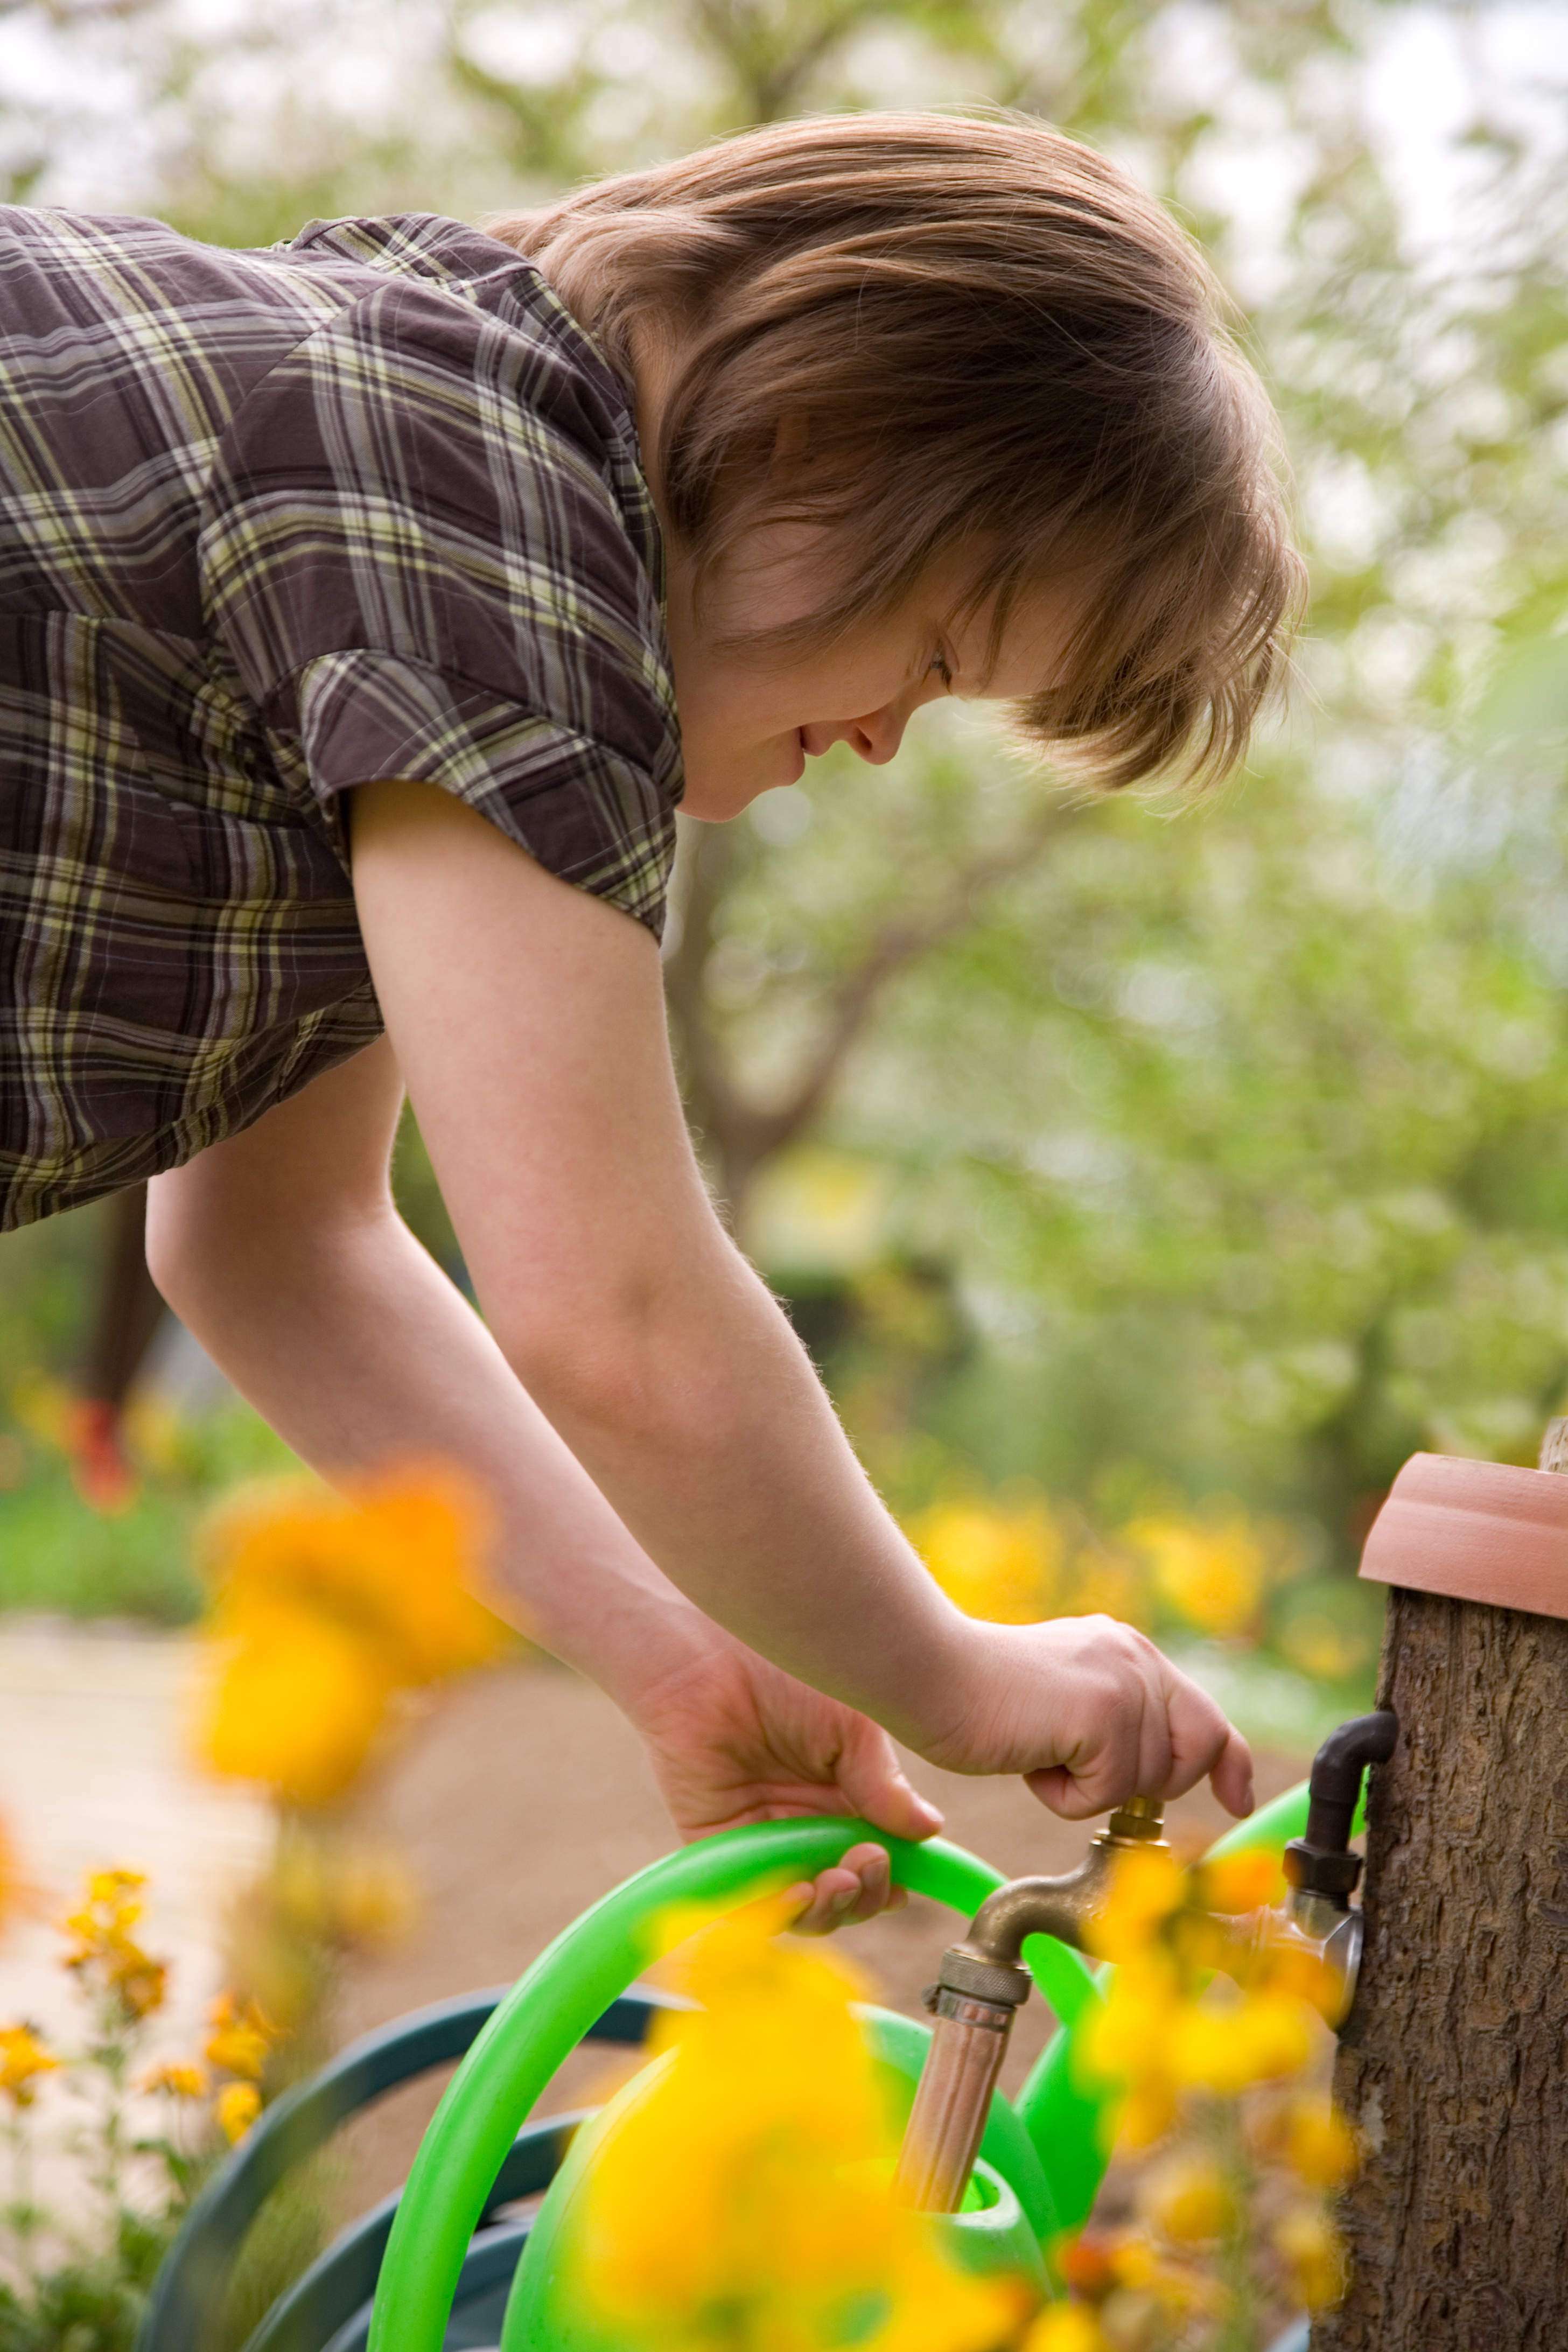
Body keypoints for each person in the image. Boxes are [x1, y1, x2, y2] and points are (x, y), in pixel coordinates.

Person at [0, 113, 1298, 1931]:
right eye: (935, 656)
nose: (877, 740)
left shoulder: (417, 469)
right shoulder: (488, 522)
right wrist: (957, 1671)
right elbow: (615, 1316)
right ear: (819, 429)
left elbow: (284, 1243)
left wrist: (686, 1654)